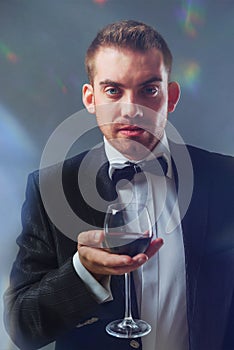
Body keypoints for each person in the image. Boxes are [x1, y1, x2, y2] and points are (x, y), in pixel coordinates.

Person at [4, 20, 234, 350]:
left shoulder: (227, 179)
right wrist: (82, 273)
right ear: (90, 98)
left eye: (148, 90)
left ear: (171, 97)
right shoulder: (50, 188)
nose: (131, 109)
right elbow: (22, 328)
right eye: (113, 90)